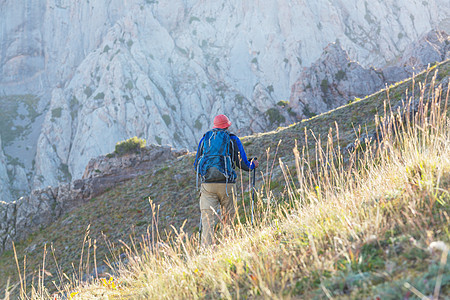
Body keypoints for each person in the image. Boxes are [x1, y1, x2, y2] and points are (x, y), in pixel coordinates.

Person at [194, 114, 259, 247]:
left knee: (208, 221)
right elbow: (243, 164)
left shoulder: (205, 139)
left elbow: (196, 165)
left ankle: (206, 252)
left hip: (207, 186)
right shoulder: (232, 139)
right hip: (227, 186)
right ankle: (228, 247)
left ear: (214, 126)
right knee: (228, 219)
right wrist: (253, 165)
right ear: (227, 126)